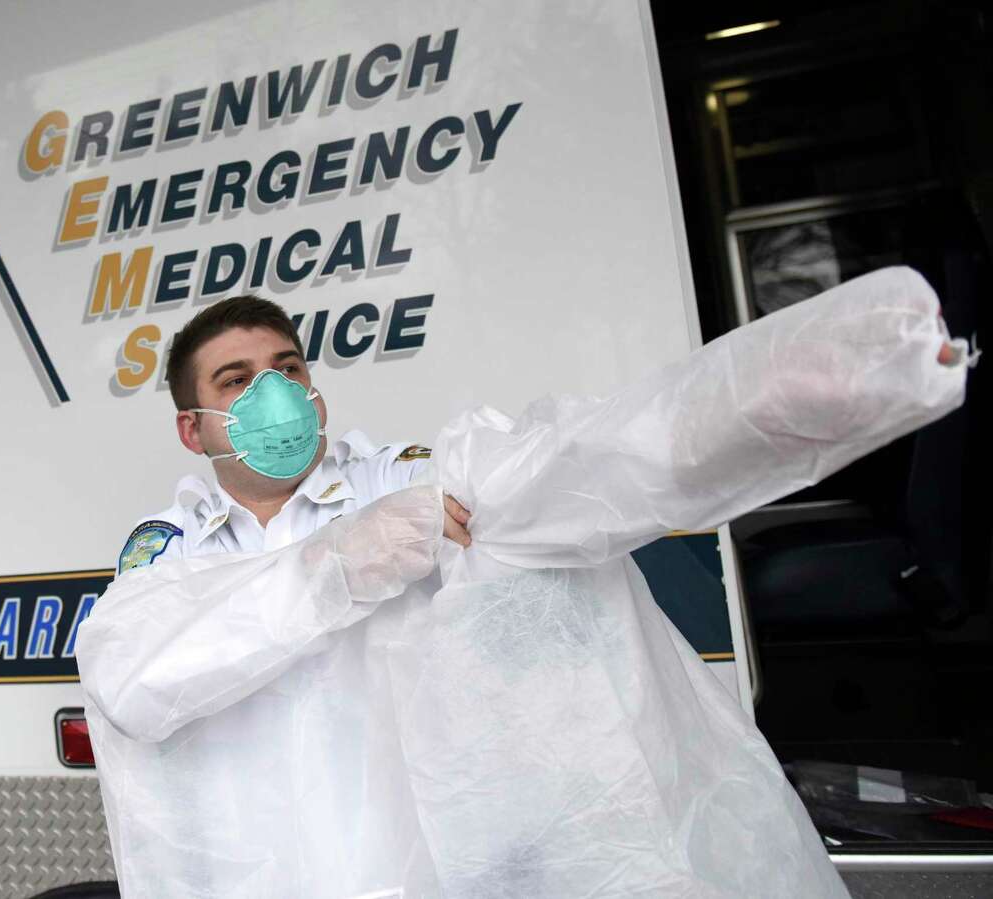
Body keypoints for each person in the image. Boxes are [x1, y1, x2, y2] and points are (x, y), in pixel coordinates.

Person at [76, 268, 971, 898]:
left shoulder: (413, 485)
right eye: (238, 380)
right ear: (195, 429)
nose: (273, 392)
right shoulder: (171, 551)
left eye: (289, 368)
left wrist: (798, 387)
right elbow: (137, 683)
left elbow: (587, 462)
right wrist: (342, 562)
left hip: (416, 875)